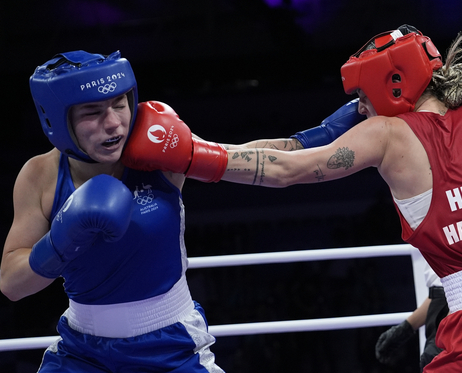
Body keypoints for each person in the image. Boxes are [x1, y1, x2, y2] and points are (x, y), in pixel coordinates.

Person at [123, 24, 462, 372]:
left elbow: (286, 169)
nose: (359, 108)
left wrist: (189, 153)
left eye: (360, 97)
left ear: (391, 84)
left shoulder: (386, 133)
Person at [0, 48, 362, 372]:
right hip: (82, 353)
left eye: (120, 104)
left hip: (170, 347)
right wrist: (62, 241)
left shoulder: (159, 150)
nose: (112, 123)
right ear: (58, 121)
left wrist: (325, 133)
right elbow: (11, 284)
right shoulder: (40, 176)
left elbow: (255, 158)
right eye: (92, 112)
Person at [375, 261, 447, 371]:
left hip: (457, 323)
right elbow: (439, 296)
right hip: (444, 316)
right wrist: (405, 328)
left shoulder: (461, 247)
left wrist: (445, 334)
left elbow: (457, 295)